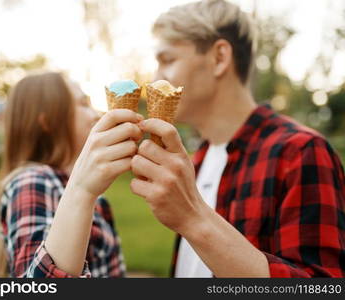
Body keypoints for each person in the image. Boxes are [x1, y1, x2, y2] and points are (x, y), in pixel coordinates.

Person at [130, 0, 345, 277]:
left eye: (167, 60)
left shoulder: (299, 153)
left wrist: (193, 218)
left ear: (219, 57)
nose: (155, 78)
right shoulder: (201, 157)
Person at [0, 72, 143, 277]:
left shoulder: (91, 194)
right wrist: (82, 191)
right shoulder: (33, 181)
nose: (95, 115)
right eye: (83, 104)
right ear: (48, 122)